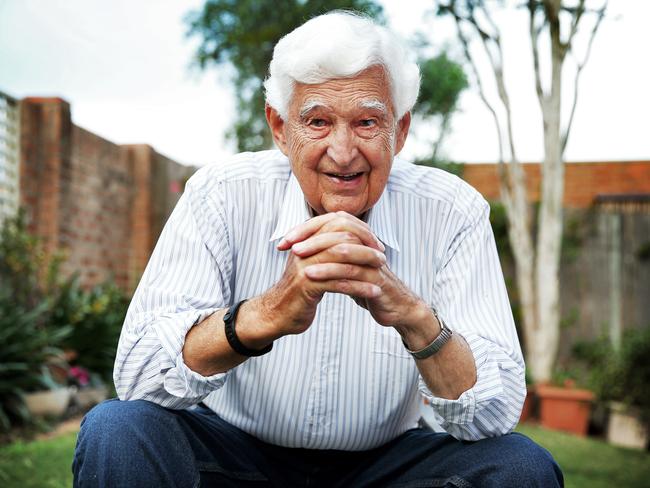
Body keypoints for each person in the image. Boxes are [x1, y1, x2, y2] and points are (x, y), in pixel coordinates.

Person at [73, 11, 563, 488]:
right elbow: (138, 377)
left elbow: (495, 415)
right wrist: (265, 314)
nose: (344, 151)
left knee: (520, 468)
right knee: (119, 432)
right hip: (234, 454)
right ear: (281, 128)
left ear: (402, 129)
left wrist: (413, 315)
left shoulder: (452, 210)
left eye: (368, 122)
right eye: (319, 121)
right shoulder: (221, 193)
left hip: (387, 465)